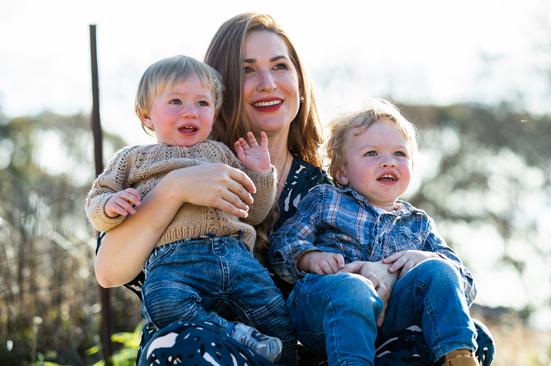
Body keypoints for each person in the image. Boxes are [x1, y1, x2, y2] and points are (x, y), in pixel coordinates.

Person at [94, 13, 326, 366]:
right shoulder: (154, 164)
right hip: (191, 350)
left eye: (280, 66)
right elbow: (109, 271)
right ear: (220, 84)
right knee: (184, 346)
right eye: (247, 69)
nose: (267, 82)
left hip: (286, 352)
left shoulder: (325, 188)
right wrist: (175, 188)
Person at [269, 99, 480, 366]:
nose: (388, 162)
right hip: (325, 309)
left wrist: (427, 259)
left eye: (399, 154)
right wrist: (309, 257)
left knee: (439, 269)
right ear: (341, 172)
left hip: (391, 320)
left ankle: (457, 355)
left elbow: (466, 284)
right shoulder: (326, 199)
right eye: (372, 154)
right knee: (353, 287)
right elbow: (283, 243)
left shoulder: (418, 224)